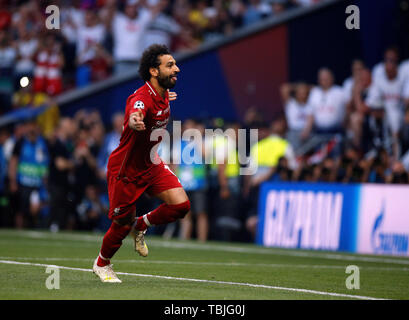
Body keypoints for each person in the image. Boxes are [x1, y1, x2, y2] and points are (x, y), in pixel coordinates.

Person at [93, 44, 190, 283]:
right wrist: (135, 121)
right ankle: (102, 263)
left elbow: (158, 102)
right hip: (126, 170)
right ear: (154, 71)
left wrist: (166, 96)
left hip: (151, 164)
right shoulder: (140, 98)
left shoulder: (163, 93)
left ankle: (142, 224)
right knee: (121, 224)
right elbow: (137, 111)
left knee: (181, 206)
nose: (176, 68)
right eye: (170, 65)